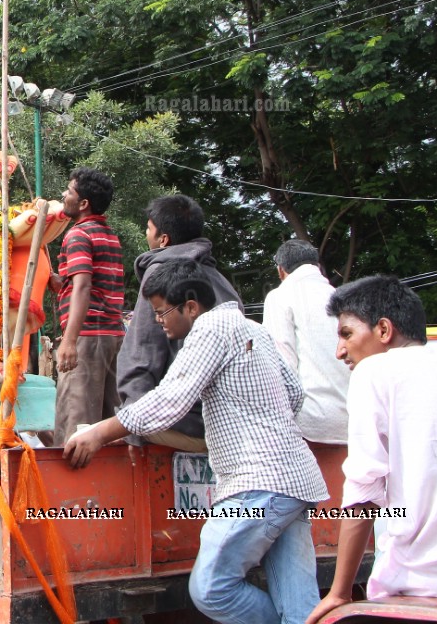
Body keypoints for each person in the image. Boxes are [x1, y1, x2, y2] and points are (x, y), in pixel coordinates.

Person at [66, 260, 327, 624]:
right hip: (297, 481)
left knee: (211, 589)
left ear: (191, 306)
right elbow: (295, 393)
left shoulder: (211, 328)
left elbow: (170, 400)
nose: (158, 321)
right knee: (300, 605)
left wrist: (98, 432)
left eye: (162, 312)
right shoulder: (253, 328)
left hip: (257, 483)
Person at [305, 277, 437, 622]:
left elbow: (363, 492)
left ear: (384, 330)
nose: (340, 351)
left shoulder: (376, 370)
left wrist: (339, 592)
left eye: (346, 334)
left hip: (418, 587)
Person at [116, 194, 241, 452]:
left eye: (148, 229)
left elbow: (142, 349)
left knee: (102, 432)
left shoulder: (162, 274)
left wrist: (132, 426)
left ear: (164, 239)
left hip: (194, 422)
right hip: (233, 421)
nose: (145, 234)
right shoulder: (221, 282)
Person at [51, 167, 125, 443]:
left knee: (75, 426)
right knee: (108, 429)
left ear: (83, 204)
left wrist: (69, 342)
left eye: (69, 191)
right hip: (112, 337)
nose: (63, 195)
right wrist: (61, 284)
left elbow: (83, 286)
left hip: (88, 338)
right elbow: (94, 286)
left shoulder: (78, 235)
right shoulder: (108, 234)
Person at [262, 239, 350, 444]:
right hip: (355, 422)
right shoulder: (341, 298)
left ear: (281, 271)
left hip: (312, 424)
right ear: (317, 267)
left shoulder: (280, 296)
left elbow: (282, 365)